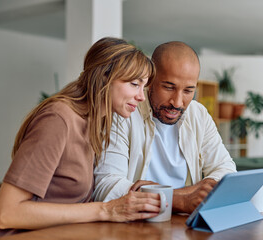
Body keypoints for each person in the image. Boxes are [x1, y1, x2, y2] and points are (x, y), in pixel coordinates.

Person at [0, 37, 162, 238]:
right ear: (104, 78)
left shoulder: (91, 122)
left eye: (143, 87)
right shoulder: (59, 119)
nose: (141, 96)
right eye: (135, 84)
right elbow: (7, 213)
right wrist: (106, 210)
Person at [93, 41, 236, 214]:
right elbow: (107, 188)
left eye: (188, 91)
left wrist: (165, 195)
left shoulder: (198, 114)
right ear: (149, 81)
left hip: (185, 226)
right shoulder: (124, 111)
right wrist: (179, 200)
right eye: (169, 87)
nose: (177, 102)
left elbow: (226, 170)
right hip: (135, 228)